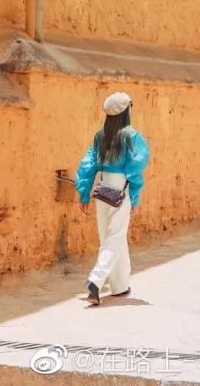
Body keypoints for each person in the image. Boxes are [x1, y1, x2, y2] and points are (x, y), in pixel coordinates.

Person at [75, 91, 150, 306]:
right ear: (125, 111)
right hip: (120, 188)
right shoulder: (132, 136)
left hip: (103, 187)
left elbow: (88, 164)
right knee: (115, 236)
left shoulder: (101, 136)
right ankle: (96, 280)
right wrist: (134, 197)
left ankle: (120, 286)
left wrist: (84, 193)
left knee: (110, 237)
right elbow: (135, 168)